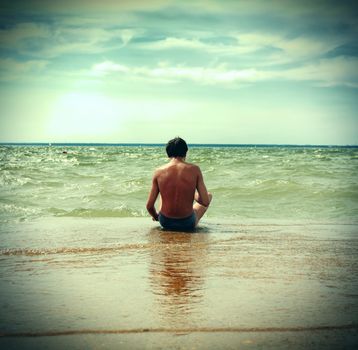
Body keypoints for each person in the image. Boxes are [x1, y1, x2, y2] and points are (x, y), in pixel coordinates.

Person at [146, 137, 212, 231]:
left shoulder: (158, 172)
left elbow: (149, 206)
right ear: (185, 152)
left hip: (165, 222)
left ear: (168, 153)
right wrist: (191, 193)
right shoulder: (195, 170)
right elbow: (205, 202)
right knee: (209, 195)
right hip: (187, 223)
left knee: (163, 194)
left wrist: (156, 217)